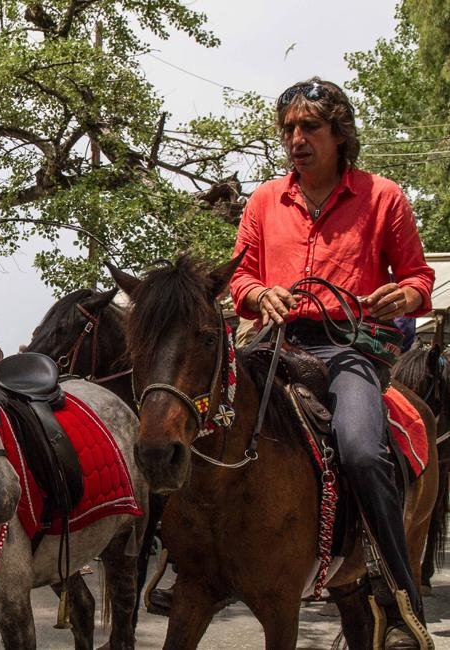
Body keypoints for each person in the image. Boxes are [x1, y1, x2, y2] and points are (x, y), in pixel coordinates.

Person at [229, 77, 435, 648]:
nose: (296, 138)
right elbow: (240, 275)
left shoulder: (383, 196)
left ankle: (399, 603)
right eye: (289, 128)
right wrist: (255, 295)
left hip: (351, 347)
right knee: (200, 417)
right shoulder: (264, 200)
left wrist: (410, 294)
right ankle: (185, 566)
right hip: (274, 343)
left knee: (365, 451)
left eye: (310, 127)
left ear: (339, 134)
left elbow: (418, 275)